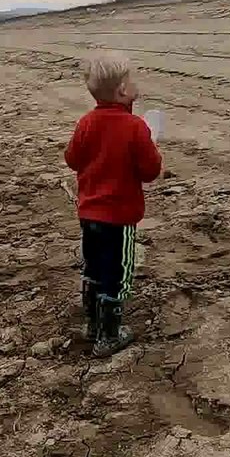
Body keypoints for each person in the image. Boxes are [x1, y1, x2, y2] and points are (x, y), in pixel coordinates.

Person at [65, 53, 163, 357]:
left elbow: (71, 159)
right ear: (122, 90)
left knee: (93, 267)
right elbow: (150, 171)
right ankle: (109, 334)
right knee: (118, 273)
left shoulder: (86, 123)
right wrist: (154, 151)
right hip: (119, 218)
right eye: (132, 79)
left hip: (89, 214)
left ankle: (92, 324)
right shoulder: (135, 127)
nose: (137, 84)